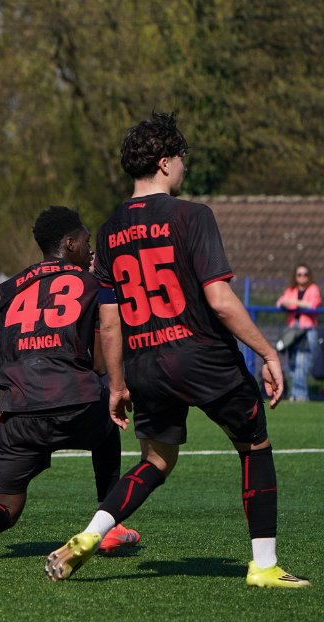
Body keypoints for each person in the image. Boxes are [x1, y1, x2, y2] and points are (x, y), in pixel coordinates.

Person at [44, 112, 309, 588]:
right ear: (165, 163)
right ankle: (264, 565)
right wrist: (269, 353)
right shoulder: (192, 215)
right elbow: (220, 300)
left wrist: (117, 384)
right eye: (182, 158)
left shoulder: (109, 230)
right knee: (254, 446)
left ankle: (90, 535)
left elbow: (110, 322)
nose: (185, 166)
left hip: (145, 364)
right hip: (200, 354)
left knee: (157, 460)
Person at [0, 206, 139, 563]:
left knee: (6, 509)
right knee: (109, 425)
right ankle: (110, 525)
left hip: (18, 413)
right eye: (86, 241)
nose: (91, 249)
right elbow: (99, 363)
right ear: (70, 243)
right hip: (74, 403)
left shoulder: (6, 288)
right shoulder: (92, 284)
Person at [276, 264, 321, 402]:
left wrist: (294, 302)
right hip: (292, 329)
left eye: (305, 274)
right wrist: (298, 303)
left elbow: (313, 304)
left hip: (307, 330)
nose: (302, 277)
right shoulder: (291, 290)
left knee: (302, 361)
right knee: (293, 361)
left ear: (309, 276)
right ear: (295, 276)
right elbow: (280, 302)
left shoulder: (313, 289)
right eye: (299, 274)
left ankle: (301, 395)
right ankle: (295, 394)